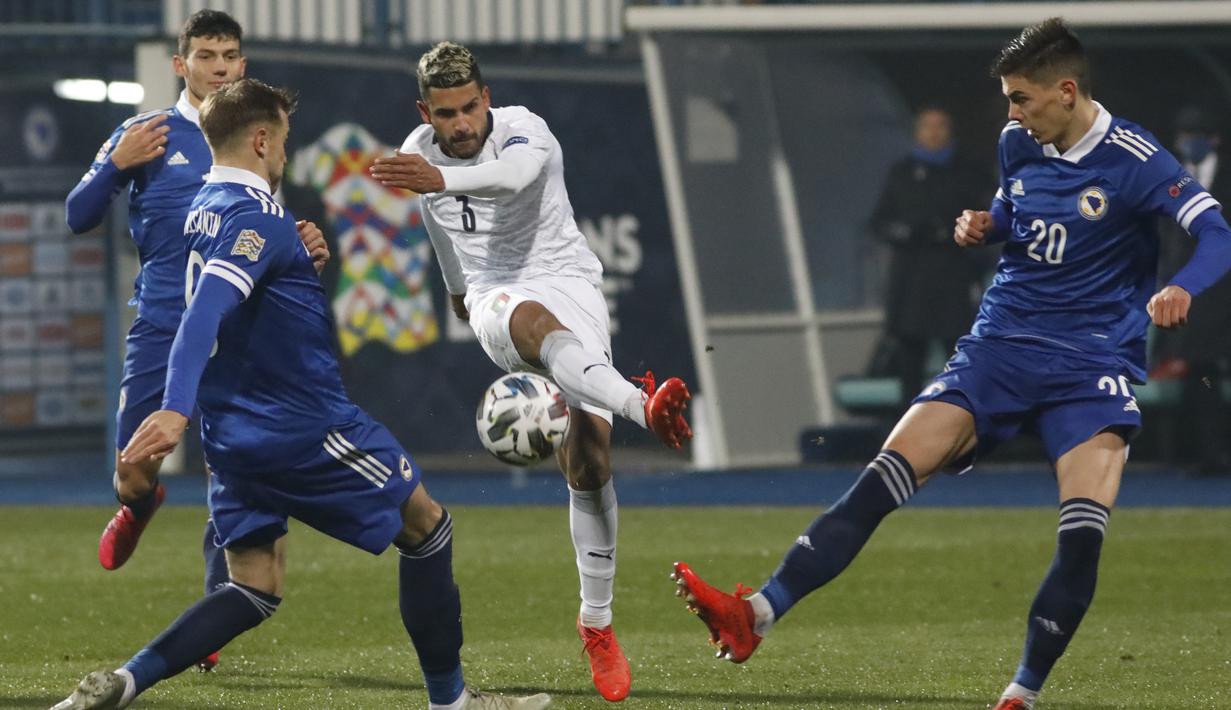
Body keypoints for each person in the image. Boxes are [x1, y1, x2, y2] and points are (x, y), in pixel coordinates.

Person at [670, 18, 1231, 710]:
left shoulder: (1135, 159)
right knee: (881, 478)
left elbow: (1215, 234)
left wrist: (1180, 287)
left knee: (1081, 536)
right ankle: (753, 613)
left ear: (1064, 91)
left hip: (1089, 365)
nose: (1009, 113)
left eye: (1020, 98)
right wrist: (984, 225)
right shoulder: (1016, 143)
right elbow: (1011, 210)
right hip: (997, 348)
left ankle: (1020, 694)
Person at [50, 78, 551, 710]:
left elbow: (242, 296)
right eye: (283, 140)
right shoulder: (254, 218)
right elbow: (204, 313)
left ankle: (124, 683)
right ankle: (452, 702)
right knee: (428, 528)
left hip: (231, 438)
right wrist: (174, 410)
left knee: (253, 586)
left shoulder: (204, 207)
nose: (286, 153)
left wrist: (295, 264)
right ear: (261, 139)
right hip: (304, 425)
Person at [370, 41, 693, 703]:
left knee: (591, 464)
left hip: (569, 280)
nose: (459, 124)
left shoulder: (526, 129)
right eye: (444, 114)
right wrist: (455, 285)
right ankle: (644, 406)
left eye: (467, 108)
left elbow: (510, 180)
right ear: (423, 110)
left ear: (484, 98)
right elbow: (437, 222)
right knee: (534, 328)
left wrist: (440, 180)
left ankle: (596, 625)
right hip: (497, 294)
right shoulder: (420, 149)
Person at [63, 10, 329, 671]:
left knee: (233, 464)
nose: (219, 66)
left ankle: (219, 603)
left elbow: (260, 231)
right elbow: (77, 215)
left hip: (241, 329)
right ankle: (139, 501)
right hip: (162, 324)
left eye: (229, 56)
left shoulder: (256, 136)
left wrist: (300, 250)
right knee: (132, 464)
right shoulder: (146, 132)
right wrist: (111, 168)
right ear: (181, 65)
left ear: (241, 64)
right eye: (205, 55)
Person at [867, 105, 986, 404]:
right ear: (917, 133)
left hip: (952, 277)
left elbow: (990, 218)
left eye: (940, 126)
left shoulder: (967, 172)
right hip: (912, 280)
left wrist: (953, 234)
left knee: (957, 354)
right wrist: (904, 232)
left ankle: (964, 419)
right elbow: (878, 222)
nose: (934, 134)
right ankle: (907, 427)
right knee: (910, 358)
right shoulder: (902, 173)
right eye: (927, 127)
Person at [1153, 106, 1231, 474]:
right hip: (1194, 297)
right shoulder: (1173, 179)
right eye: (1183, 135)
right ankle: (1210, 455)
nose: (1188, 142)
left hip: (1227, 291)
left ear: (1214, 138)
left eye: (1195, 134)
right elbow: (1167, 238)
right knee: (1202, 376)